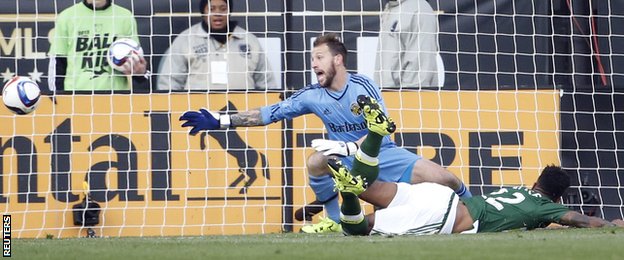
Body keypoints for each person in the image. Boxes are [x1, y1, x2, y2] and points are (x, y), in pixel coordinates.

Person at [178, 33, 471, 233]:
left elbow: (380, 130)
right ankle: (333, 220)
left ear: (338, 60)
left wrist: (350, 148)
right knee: (317, 160)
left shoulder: (363, 87)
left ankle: (477, 211)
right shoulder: (311, 95)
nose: (314, 64)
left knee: (446, 179)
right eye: (312, 58)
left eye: (319, 57)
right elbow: (269, 113)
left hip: (384, 156)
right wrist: (222, 121)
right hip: (346, 164)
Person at [328, 96, 624, 235]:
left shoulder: (518, 191)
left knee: (368, 187)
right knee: (356, 228)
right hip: (442, 215)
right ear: (556, 198)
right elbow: (578, 220)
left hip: (437, 195)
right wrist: (612, 225)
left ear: (535, 184)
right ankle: (349, 192)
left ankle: (375, 139)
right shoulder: (545, 208)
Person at [157, 0, 277, 91]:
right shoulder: (186, 40)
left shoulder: (249, 40)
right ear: (203, 11)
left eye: (223, 8)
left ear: (229, 11)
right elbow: (169, 83)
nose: (217, 13)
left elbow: (267, 83)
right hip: (198, 115)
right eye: (212, 8)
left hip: (242, 115)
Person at [48, 0, 148, 91]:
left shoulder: (125, 17)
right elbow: (57, 62)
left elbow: (137, 67)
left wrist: (140, 72)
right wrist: (59, 96)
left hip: (115, 98)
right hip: (76, 98)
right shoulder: (67, 16)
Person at [375, 0, 440, 88]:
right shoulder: (392, 7)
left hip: (408, 97)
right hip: (387, 95)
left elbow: (420, 68)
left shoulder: (419, 10)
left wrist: (407, 98)